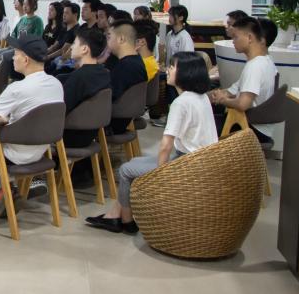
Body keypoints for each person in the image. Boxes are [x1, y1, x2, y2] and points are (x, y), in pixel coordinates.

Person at [86, 52, 217, 234]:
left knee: (125, 170)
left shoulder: (181, 103)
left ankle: (126, 221)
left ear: (186, 73)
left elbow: (166, 145)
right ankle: (116, 215)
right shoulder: (201, 98)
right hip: (201, 161)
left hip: (186, 164)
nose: (168, 70)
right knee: (133, 163)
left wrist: (159, 175)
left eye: (173, 66)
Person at [0, 36, 65, 225]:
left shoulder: (17, 88)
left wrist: (0, 120)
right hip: (40, 152)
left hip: (13, 154)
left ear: (26, 59)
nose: (12, 58)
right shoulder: (56, 84)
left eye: (15, 54)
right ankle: (10, 190)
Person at [209, 17, 278, 144]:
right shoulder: (266, 61)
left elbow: (242, 104)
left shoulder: (255, 67)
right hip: (258, 126)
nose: (233, 41)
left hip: (251, 128)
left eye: (236, 37)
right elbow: (234, 90)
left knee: (198, 125)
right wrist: (219, 95)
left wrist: (222, 100)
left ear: (250, 38)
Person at [59, 27, 111, 150]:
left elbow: (60, 109)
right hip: (91, 134)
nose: (71, 47)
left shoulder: (80, 77)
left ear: (84, 49)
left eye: (74, 43)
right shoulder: (104, 73)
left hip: (68, 135)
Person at [106, 21, 148, 134]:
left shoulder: (127, 66)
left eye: (109, 37)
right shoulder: (135, 61)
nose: (107, 41)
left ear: (121, 39)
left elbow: (108, 95)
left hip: (110, 123)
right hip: (120, 120)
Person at [45, 3, 80, 70]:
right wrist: (42, 53)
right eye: (64, 12)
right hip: (56, 59)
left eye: (67, 13)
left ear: (75, 15)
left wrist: (48, 57)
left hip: (65, 63)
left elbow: (63, 50)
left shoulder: (76, 30)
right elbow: (54, 46)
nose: (64, 15)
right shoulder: (64, 29)